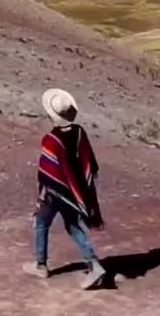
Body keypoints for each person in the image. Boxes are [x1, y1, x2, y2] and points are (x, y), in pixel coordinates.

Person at [26, 88, 107, 289]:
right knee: (73, 226)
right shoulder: (80, 132)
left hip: (54, 193)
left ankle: (41, 265)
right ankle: (93, 264)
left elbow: (48, 173)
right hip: (74, 192)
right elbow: (89, 163)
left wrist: (42, 197)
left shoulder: (51, 140)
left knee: (41, 222)